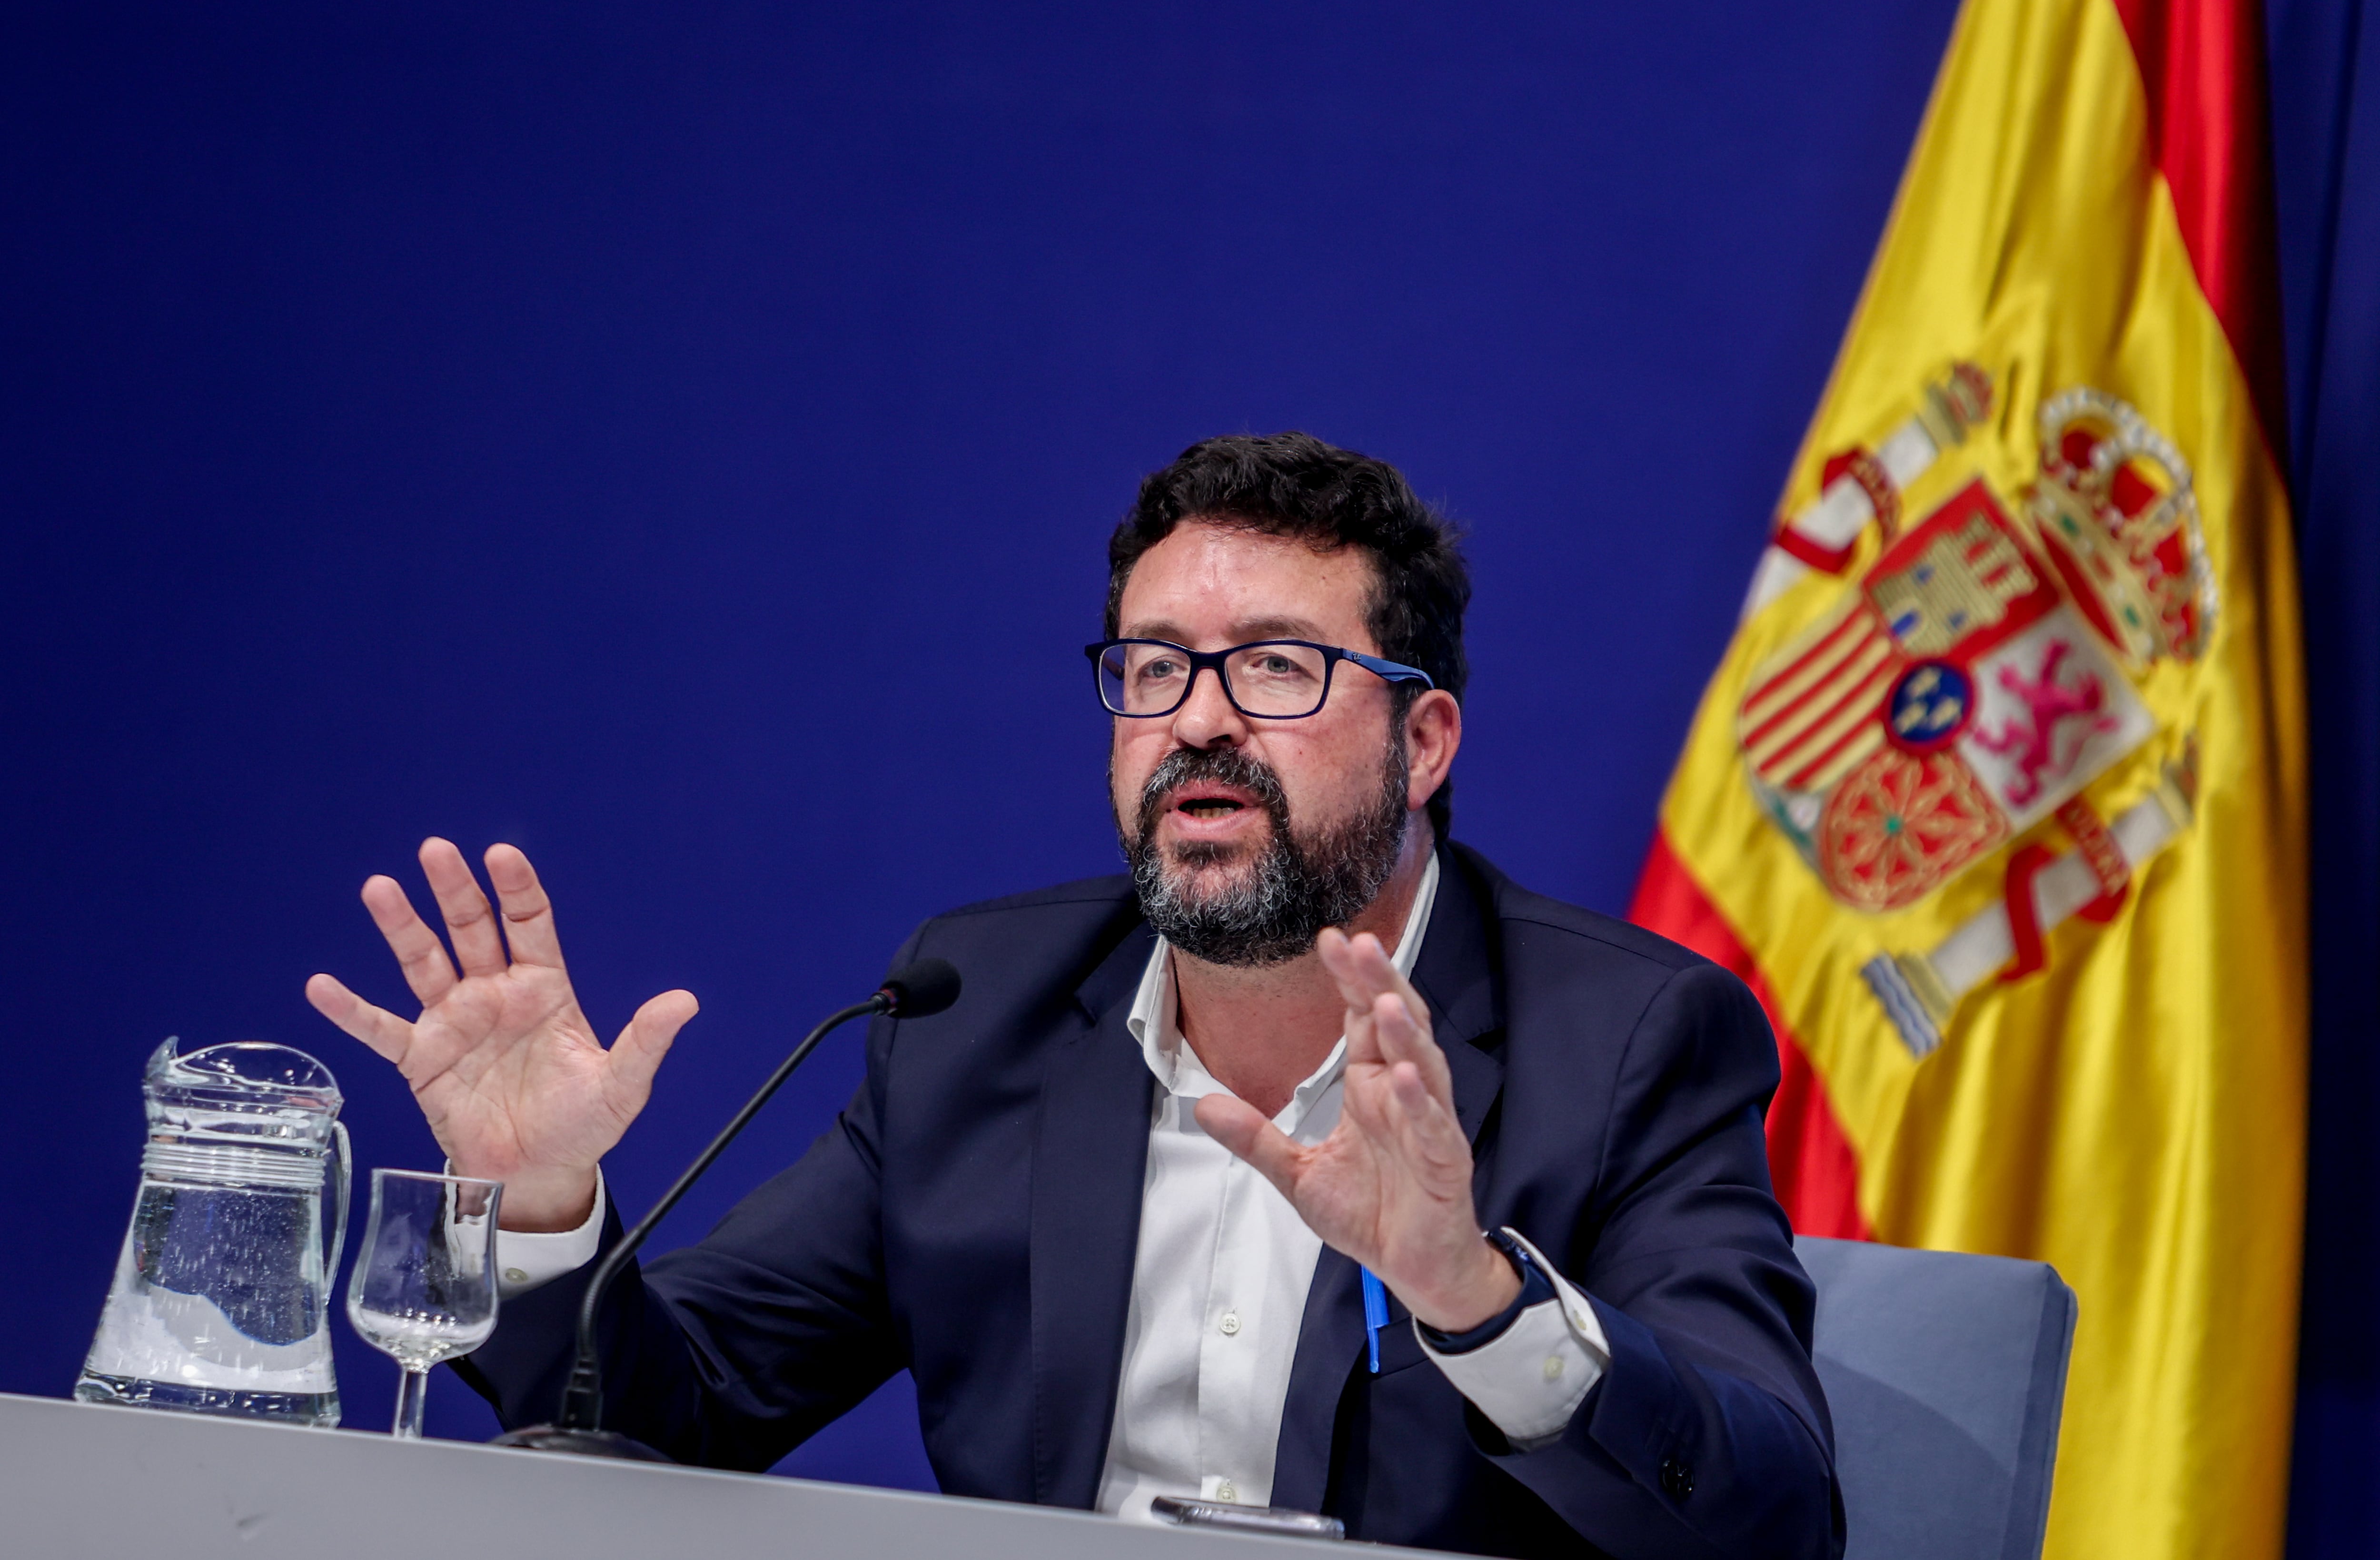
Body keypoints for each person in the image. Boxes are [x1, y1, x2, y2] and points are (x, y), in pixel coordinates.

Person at [306, 433, 1842, 1558]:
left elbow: (1773, 1518)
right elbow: (669, 1411)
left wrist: (1474, 1301)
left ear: (1424, 742)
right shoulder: (979, 1011)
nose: (1202, 721)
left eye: (1282, 670)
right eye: (1156, 668)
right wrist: (543, 1204)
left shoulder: (1630, 1042)